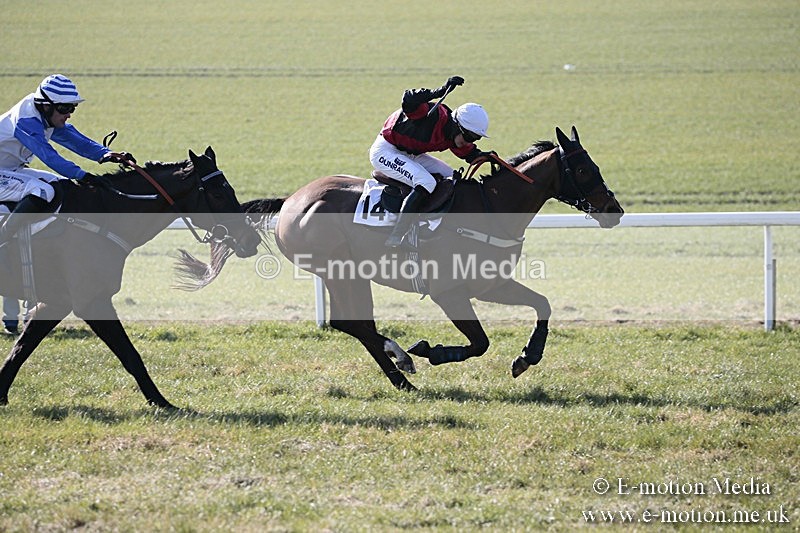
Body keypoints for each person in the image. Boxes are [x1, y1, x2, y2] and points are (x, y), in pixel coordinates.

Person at [0, 74, 135, 246]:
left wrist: (106, 154)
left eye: (72, 108)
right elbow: (49, 156)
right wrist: (83, 175)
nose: (69, 114)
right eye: (65, 108)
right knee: (42, 191)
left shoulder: (44, 115)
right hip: (6, 171)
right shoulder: (26, 121)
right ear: (46, 106)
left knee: (63, 185)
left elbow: (72, 138)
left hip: (9, 170)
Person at [370, 75, 492, 247]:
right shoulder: (430, 115)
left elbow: (469, 154)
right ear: (457, 126)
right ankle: (397, 236)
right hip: (386, 150)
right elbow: (409, 99)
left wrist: (489, 157)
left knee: (452, 178)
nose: (471, 142)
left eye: (476, 138)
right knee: (426, 181)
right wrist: (440, 91)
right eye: (471, 137)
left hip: (411, 153)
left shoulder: (452, 134)